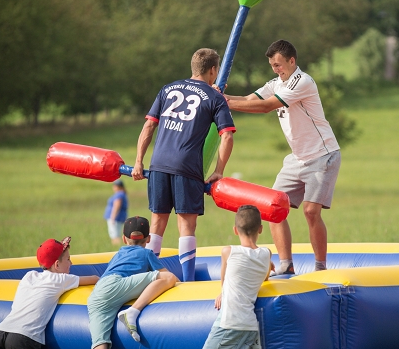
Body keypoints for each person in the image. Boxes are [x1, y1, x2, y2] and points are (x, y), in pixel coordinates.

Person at [224, 39, 340, 274]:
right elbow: (250, 99)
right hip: (297, 158)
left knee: (310, 212)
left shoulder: (302, 81)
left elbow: (266, 106)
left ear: (292, 61)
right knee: (273, 208)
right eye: (272, 66)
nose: (275, 70)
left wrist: (227, 103)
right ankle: (286, 265)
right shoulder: (277, 82)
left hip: (322, 155)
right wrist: (221, 98)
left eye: (278, 65)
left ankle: (320, 268)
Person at [133, 48, 235, 282]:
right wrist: (218, 171)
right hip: (187, 166)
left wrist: (139, 161)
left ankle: (147, 279)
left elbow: (149, 126)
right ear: (213, 70)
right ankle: (188, 281)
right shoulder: (215, 97)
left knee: (157, 222)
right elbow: (227, 136)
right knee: (186, 225)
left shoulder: (167, 89)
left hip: (159, 163)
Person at [84, 216, 179, 349]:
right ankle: (132, 312)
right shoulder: (147, 253)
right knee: (169, 278)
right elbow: (167, 276)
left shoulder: (118, 254)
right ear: (148, 239)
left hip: (97, 295)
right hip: (116, 286)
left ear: (125, 239)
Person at [190, 205, 272, 349]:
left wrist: (222, 292)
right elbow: (264, 275)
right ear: (261, 229)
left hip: (228, 322)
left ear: (235, 230)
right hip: (249, 327)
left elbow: (225, 278)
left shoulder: (229, 251)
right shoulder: (266, 254)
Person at [104, 179, 128, 246]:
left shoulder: (119, 194)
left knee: (115, 235)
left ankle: (116, 247)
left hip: (116, 218)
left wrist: (113, 217)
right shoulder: (122, 194)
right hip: (119, 217)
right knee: (116, 234)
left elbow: (117, 206)